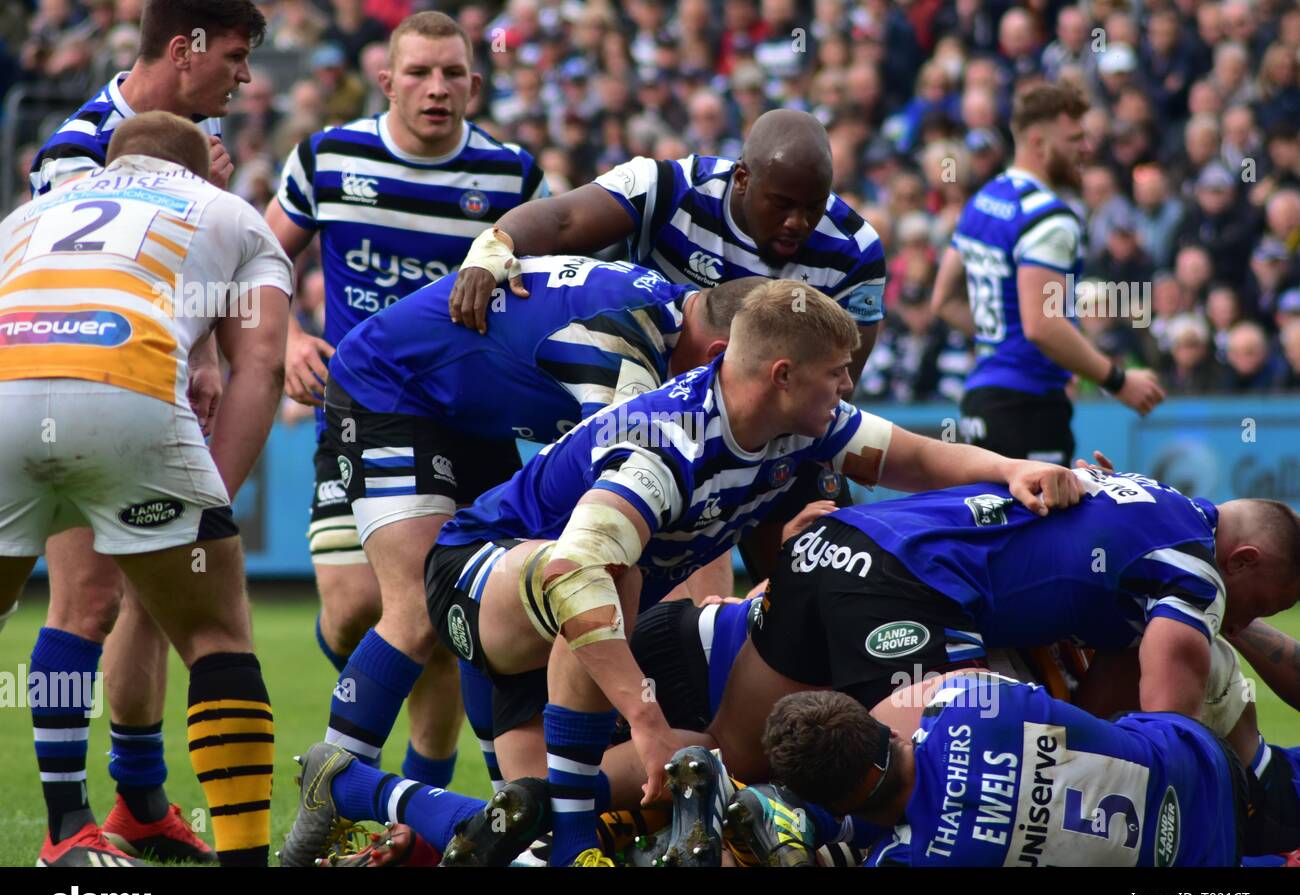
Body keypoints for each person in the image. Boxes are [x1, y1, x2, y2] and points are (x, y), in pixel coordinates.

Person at [277, 281, 1083, 868]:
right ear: (780, 375)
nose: (848, 387)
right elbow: (572, 568)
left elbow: (914, 456)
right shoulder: (670, 443)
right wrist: (649, 718)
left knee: (520, 828)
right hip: (486, 581)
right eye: (838, 371)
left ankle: (350, 789)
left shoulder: (802, 425)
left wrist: (1013, 467)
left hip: (578, 632)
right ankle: (568, 841)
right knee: (604, 579)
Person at [319, 258, 756, 790]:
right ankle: (333, 791)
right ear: (719, 356)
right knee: (420, 607)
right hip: (392, 385)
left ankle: (509, 802)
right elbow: (630, 494)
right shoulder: (622, 358)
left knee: (496, 584)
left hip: (471, 412)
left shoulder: (674, 312)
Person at [264, 11, 547, 792]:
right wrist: (288, 338)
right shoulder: (328, 157)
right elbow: (258, 258)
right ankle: (384, 783)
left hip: (472, 424)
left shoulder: (512, 176)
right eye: (419, 72)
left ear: (474, 83)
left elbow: (549, 282)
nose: (436, 88)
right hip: (363, 414)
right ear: (386, 80)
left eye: (452, 74)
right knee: (360, 610)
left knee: (441, 615)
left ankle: (414, 793)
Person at [0, 112, 292, 867]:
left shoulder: (26, 213)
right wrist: (210, 509)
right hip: (122, 386)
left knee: (69, 606)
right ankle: (246, 861)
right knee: (214, 634)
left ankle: (68, 828)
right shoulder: (228, 211)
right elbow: (259, 369)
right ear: (199, 169)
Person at [446, 107, 890, 582]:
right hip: (662, 422)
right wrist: (496, 244)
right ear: (741, 178)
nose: (798, 222)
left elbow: (838, 387)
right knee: (650, 583)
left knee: (818, 579)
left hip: (778, 433)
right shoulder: (669, 188)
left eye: (813, 207)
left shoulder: (855, 249)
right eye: (781, 203)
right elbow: (564, 219)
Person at [703, 468, 1300, 787]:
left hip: (835, 543)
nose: (1243, 620)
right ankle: (812, 834)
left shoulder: (1151, 496)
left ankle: (618, 808)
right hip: (910, 585)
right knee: (960, 772)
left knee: (733, 759)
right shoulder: (1197, 577)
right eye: (1261, 605)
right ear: (1241, 560)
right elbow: (1163, 734)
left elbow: (1105, 701)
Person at [761, 678, 1260, 866]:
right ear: (884, 729)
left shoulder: (907, 861)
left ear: (842, 800)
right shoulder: (961, 701)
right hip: (1202, 757)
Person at [933, 81, 1165, 466]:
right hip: (1028, 409)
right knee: (1044, 523)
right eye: (1075, 139)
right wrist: (1119, 381)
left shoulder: (984, 201)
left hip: (980, 402)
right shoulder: (1050, 218)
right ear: (1039, 142)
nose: (1086, 149)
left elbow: (944, 300)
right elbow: (1042, 325)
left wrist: (1016, 346)